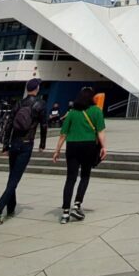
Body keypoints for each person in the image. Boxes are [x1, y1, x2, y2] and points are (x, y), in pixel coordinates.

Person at [0, 78, 47, 225]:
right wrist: (42, 144)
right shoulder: (40, 104)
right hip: (26, 145)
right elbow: (44, 126)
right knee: (14, 180)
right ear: (37, 89)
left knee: (12, 177)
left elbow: (9, 124)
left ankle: (11, 207)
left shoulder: (19, 103)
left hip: (14, 144)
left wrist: (5, 145)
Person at [52, 86, 107, 224]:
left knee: (70, 179)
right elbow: (100, 132)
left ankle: (65, 212)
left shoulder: (72, 113)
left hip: (72, 146)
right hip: (88, 146)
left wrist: (57, 150)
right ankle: (77, 205)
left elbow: (63, 134)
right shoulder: (96, 111)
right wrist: (104, 147)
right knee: (85, 176)